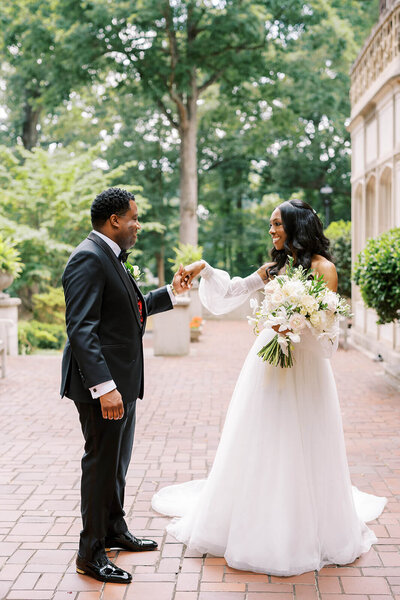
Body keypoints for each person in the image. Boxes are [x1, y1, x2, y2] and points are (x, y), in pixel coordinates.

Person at [151, 199, 387, 577]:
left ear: (297, 226)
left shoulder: (324, 269)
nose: (272, 231)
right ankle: (258, 519)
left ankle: (302, 527)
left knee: (304, 441)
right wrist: (204, 269)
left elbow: (329, 337)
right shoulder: (274, 268)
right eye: (270, 225)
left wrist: (297, 324)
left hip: (306, 368)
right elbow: (232, 293)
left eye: (278, 224)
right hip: (266, 365)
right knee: (263, 439)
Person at [60, 187, 188, 584]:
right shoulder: (88, 257)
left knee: (117, 463)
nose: (138, 225)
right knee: (100, 465)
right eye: (134, 218)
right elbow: (82, 329)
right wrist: (105, 387)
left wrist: (172, 291)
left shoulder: (111, 257)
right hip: (103, 389)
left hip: (122, 385)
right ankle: (90, 553)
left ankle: (114, 529)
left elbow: (129, 309)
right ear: (114, 220)